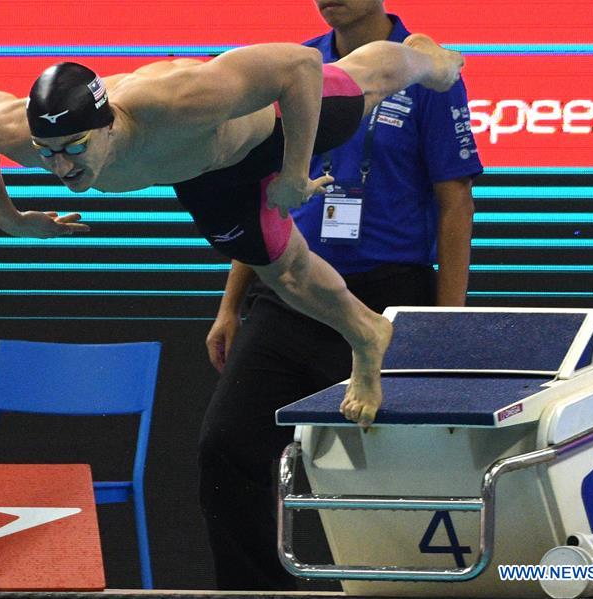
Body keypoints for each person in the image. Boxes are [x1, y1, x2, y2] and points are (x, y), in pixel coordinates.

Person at [0, 35, 464, 429]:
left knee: (363, 81)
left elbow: (300, 65)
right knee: (283, 272)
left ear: (108, 125)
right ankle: (368, 335)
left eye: (75, 147)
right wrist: (7, 216)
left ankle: (426, 60)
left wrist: (293, 174)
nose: (61, 166)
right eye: (48, 152)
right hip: (207, 175)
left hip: (274, 125)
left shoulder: (178, 99)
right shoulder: (21, 132)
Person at [198, 1, 482, 590]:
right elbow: (261, 196)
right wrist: (229, 306)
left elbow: (454, 201)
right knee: (226, 446)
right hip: (291, 293)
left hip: (388, 299)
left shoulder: (424, 69)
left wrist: (447, 322)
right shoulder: (292, 67)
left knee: (394, 470)